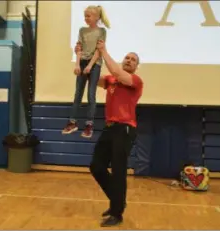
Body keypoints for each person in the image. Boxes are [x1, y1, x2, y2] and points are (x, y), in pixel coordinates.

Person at [76, 40, 143, 227]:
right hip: (110, 128)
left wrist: (103, 50)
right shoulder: (111, 80)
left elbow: (116, 72)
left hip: (125, 128)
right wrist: (82, 57)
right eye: (127, 58)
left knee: (119, 171)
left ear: (136, 66)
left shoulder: (135, 81)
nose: (129, 61)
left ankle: (116, 212)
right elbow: (90, 77)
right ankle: (118, 200)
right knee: (96, 166)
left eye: (133, 60)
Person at [62, 5, 110, 138]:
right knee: (78, 93)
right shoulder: (82, 30)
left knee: (91, 94)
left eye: (88, 16)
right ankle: (72, 122)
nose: (86, 18)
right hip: (82, 62)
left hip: (94, 64)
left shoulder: (102, 31)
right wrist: (77, 64)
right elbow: (79, 48)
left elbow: (98, 51)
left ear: (96, 17)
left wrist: (89, 66)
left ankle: (89, 124)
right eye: (85, 16)